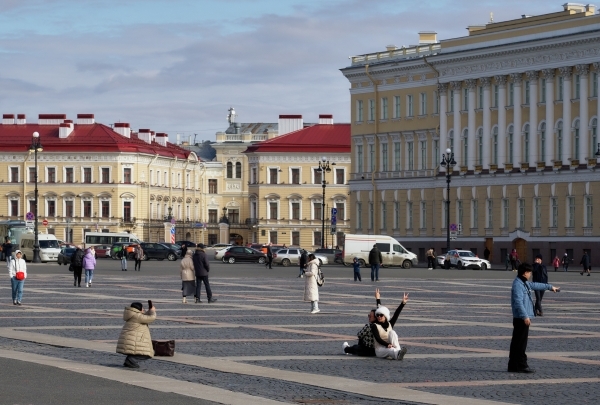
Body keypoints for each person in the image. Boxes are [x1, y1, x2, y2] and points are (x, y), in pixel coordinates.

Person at [508, 262, 559, 373]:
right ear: (525, 272)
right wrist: (525, 316)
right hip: (521, 318)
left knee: (517, 342)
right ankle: (520, 365)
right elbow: (518, 302)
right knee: (520, 343)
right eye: (529, 272)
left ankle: (513, 365)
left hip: (522, 317)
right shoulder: (518, 284)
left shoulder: (523, 282)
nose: (530, 274)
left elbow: (535, 285)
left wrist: (550, 287)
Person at [343, 288, 408, 356]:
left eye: (381, 315)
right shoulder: (375, 325)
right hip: (378, 348)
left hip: (386, 346)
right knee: (357, 348)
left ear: (385, 316)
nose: (379, 316)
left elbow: (396, 314)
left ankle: (398, 351)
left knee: (392, 333)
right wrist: (377, 299)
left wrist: (403, 303)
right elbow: (377, 338)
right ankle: (346, 348)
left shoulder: (389, 324)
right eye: (377, 315)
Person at [116, 301, 156, 369]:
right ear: (139, 309)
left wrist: (149, 311)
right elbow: (151, 318)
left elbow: (144, 316)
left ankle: (130, 360)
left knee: (138, 351)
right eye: (142, 308)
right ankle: (131, 360)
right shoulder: (137, 316)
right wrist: (152, 311)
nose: (143, 309)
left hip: (131, 339)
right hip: (134, 340)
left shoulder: (132, 314)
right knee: (148, 353)